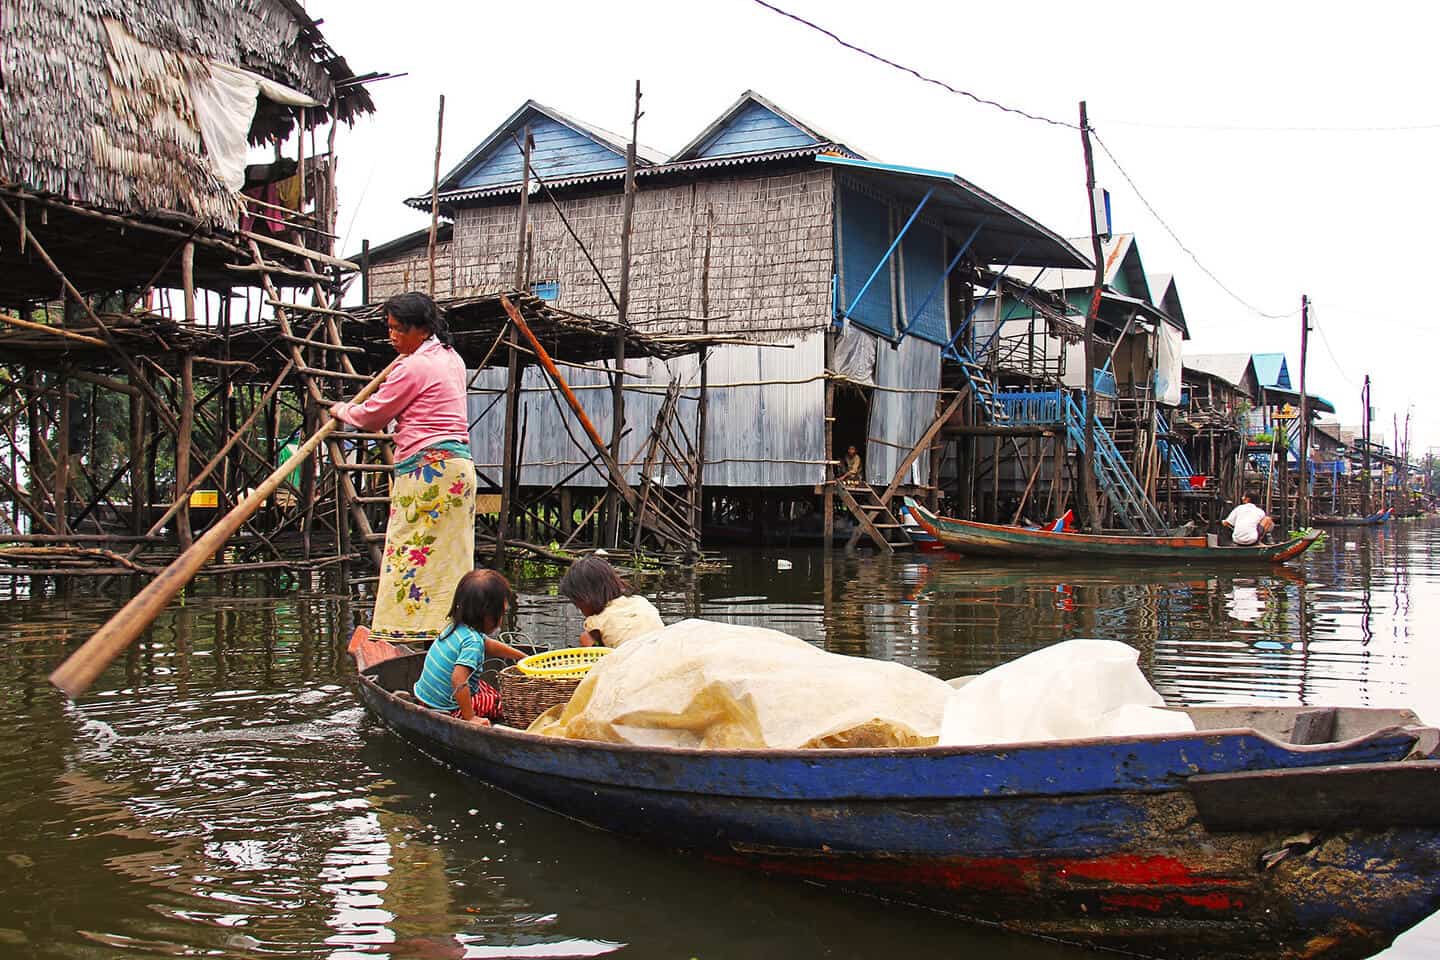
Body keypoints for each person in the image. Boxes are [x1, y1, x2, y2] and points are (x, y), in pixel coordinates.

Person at [330, 292, 475, 643]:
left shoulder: (414, 366)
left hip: (429, 472)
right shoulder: (450, 357)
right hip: (456, 469)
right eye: (389, 329)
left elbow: (373, 415)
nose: (392, 337)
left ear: (421, 329)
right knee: (452, 556)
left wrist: (341, 410)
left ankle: (408, 632)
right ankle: (449, 628)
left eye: (398, 330)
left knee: (409, 550)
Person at [413, 569, 526, 724]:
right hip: (448, 708)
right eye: (501, 613)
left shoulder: (457, 627)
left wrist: (522, 657)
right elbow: (458, 679)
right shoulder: (473, 642)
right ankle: (479, 717)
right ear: (487, 614)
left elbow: (489, 645)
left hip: (425, 697)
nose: (501, 619)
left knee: (484, 687)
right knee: (499, 703)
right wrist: (470, 718)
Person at [558, 556, 663, 649]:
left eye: (578, 606)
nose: (580, 611)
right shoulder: (640, 601)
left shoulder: (597, 621)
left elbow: (588, 649)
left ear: (586, 599)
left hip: (630, 667)